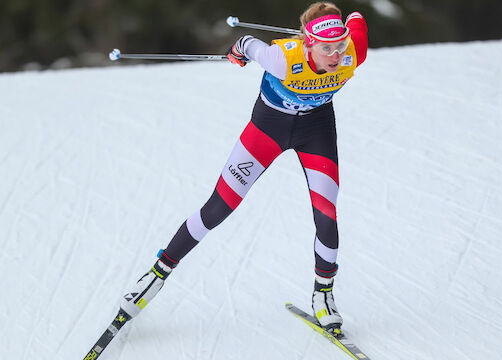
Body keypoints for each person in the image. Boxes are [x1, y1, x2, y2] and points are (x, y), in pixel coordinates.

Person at [119, 2, 368, 335]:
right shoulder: (283, 59)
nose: (336, 55)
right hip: (268, 130)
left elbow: (357, 21)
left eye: (340, 46)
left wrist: (349, 18)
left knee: (327, 216)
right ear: (309, 43)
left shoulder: (353, 52)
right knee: (218, 207)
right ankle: (155, 275)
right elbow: (248, 43)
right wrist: (237, 50)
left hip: (316, 131)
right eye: (327, 48)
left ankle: (323, 294)